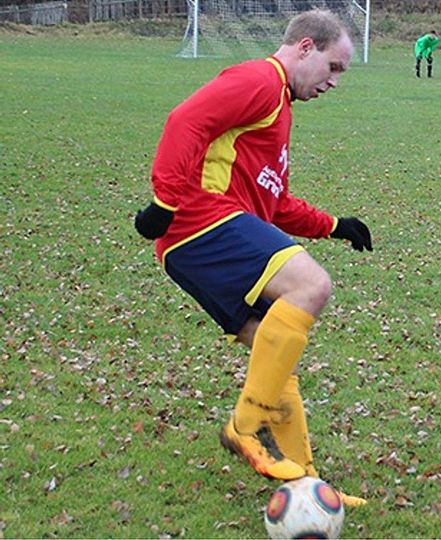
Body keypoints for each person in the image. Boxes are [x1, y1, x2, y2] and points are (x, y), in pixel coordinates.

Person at [133, 9, 373, 503]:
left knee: (274, 353)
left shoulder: (278, 108)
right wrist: (165, 199)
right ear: (305, 47)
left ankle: (306, 483)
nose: (335, 82)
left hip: (202, 239)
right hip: (201, 221)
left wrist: (335, 226)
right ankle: (244, 427)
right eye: (334, 68)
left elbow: (277, 203)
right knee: (312, 286)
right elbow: (186, 121)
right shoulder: (261, 79)